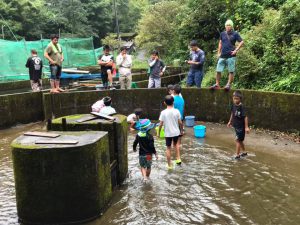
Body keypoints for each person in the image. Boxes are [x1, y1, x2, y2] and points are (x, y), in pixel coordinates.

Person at [210, 19, 244, 91]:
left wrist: (235, 50)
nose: (228, 27)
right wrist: (218, 52)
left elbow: (241, 42)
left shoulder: (235, 34)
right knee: (218, 70)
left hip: (231, 55)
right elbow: (220, 43)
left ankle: (228, 85)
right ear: (225, 26)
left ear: (231, 26)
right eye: (227, 25)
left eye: (229, 25)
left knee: (231, 71)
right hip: (222, 55)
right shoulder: (222, 33)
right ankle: (217, 84)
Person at [158, 95, 183, 169]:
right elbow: (180, 123)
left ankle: (169, 166)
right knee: (176, 145)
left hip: (168, 133)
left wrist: (158, 133)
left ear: (164, 103)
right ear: (173, 102)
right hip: (176, 132)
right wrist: (181, 130)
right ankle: (178, 159)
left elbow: (160, 124)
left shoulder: (163, 112)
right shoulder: (177, 111)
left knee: (168, 148)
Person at [227, 90, 250, 159]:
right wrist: (229, 121)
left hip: (241, 127)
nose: (235, 100)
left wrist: (246, 127)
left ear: (240, 99)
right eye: (234, 98)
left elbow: (245, 117)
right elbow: (232, 113)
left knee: (237, 140)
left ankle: (237, 155)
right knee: (240, 140)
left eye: (237, 99)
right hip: (236, 126)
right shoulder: (233, 105)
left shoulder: (242, 107)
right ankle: (244, 152)